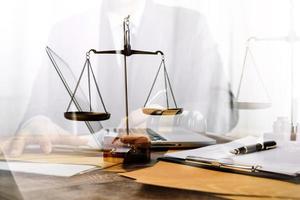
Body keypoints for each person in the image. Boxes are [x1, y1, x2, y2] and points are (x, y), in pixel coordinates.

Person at [1, 0, 238, 156]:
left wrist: (165, 122)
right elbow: (37, 110)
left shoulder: (189, 25)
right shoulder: (66, 30)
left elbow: (223, 110)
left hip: (166, 177)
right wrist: (36, 123)